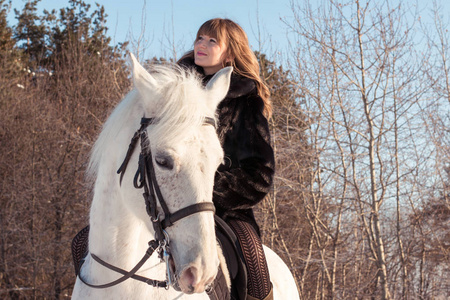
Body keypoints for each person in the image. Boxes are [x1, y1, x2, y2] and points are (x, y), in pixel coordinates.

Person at [178, 18, 275, 300]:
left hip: (224, 208)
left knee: (254, 263)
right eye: (199, 38)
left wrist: (207, 189)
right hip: (165, 199)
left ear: (230, 53)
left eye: (212, 41)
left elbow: (261, 174)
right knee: (86, 242)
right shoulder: (175, 90)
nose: (201, 45)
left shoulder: (247, 100)